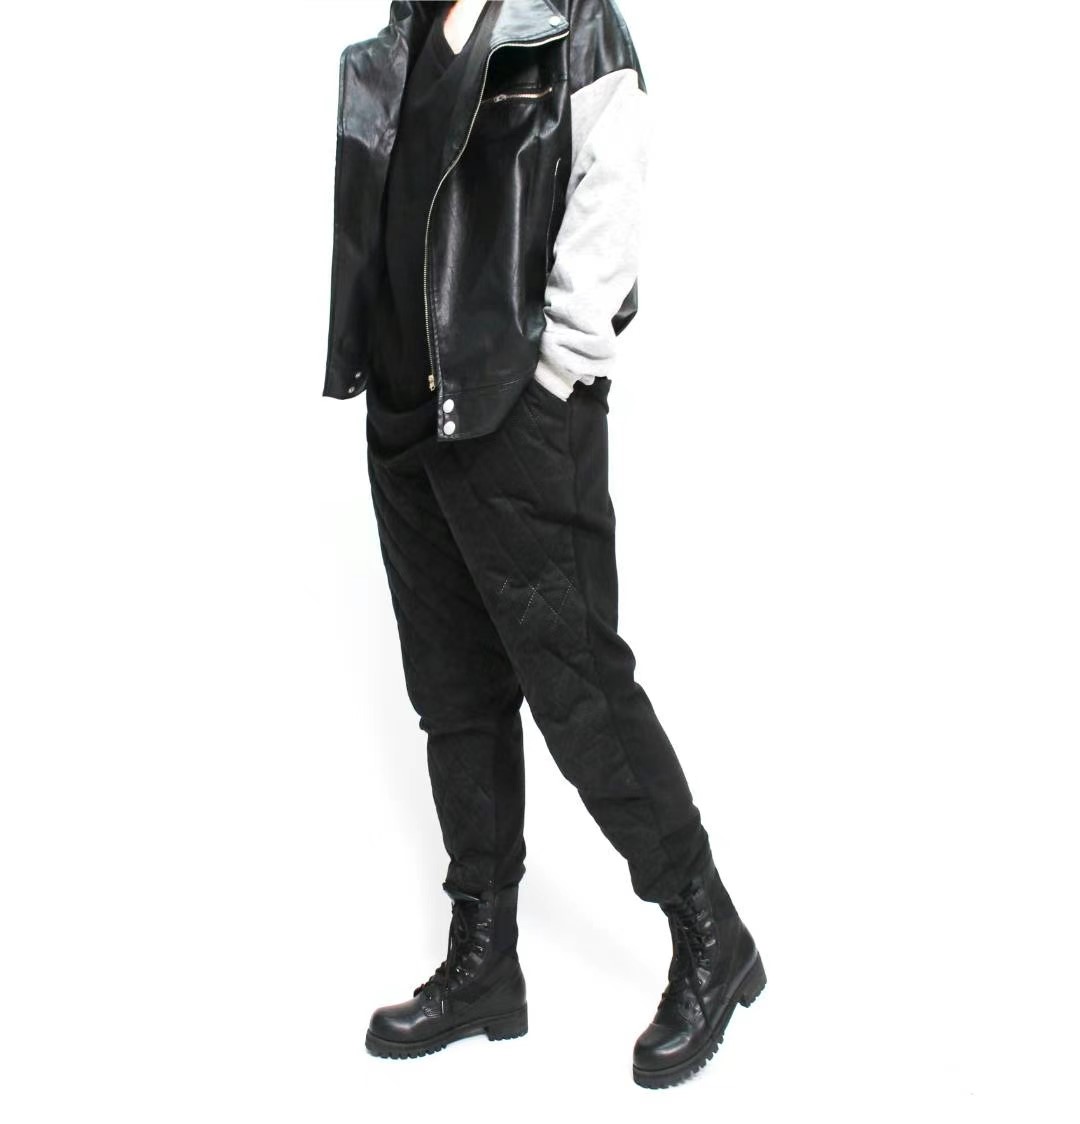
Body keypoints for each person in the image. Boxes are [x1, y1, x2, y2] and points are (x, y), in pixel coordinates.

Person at [323, 0, 766, 1088]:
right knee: (454, 698)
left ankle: (709, 931)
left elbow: (612, 184)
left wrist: (558, 367)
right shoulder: (408, 24)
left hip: (512, 414)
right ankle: (485, 962)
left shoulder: (572, 22)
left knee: (581, 693)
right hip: (406, 414)